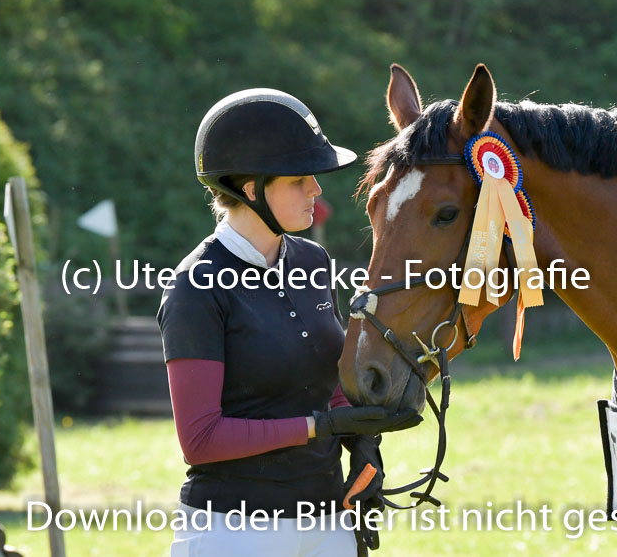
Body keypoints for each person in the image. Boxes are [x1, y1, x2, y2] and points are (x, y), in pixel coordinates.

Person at [157, 89, 421, 556]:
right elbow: (200, 439)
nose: (316, 189)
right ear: (251, 188)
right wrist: (319, 426)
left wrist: (362, 442)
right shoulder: (196, 286)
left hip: (328, 521)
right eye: (300, 179)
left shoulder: (313, 261)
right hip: (232, 529)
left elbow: (328, 383)